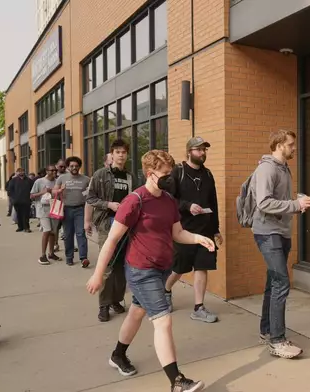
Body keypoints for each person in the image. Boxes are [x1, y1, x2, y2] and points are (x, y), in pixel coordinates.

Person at [86, 150, 215, 392]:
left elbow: (177, 233)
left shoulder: (168, 200)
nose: (170, 178)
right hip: (141, 270)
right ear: (150, 174)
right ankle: (176, 381)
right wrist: (98, 274)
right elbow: (111, 240)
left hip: (163, 268)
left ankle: (118, 355)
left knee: (136, 312)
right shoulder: (135, 201)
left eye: (171, 173)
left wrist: (199, 238)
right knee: (163, 321)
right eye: (166, 174)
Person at [252, 130, 310, 359]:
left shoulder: (283, 168)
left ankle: (267, 330)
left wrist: (297, 201)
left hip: (281, 232)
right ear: (279, 145)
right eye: (290, 145)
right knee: (281, 283)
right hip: (268, 233)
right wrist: (294, 204)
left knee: (273, 283)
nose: (294, 148)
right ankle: (277, 341)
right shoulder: (267, 168)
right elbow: (264, 202)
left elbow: (281, 200)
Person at [165, 136, 222, 322]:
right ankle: (165, 290)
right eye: (199, 149)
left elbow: (213, 203)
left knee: (202, 267)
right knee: (179, 268)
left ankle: (199, 307)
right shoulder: (178, 172)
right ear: (189, 152)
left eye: (204, 149)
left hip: (205, 230)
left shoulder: (208, 174)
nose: (203, 153)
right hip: (183, 230)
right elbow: (168, 198)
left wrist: (216, 229)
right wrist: (187, 206)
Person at [86, 140, 134, 322]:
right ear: (111, 155)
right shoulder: (100, 175)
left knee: (122, 265)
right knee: (107, 265)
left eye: (124, 152)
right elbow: (90, 198)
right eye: (118, 152)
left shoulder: (130, 177)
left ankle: (116, 299)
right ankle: (103, 305)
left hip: (125, 225)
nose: (121, 155)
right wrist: (109, 205)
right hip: (107, 223)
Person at [54, 157, 91, 267]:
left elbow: (91, 193)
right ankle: (69, 257)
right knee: (68, 234)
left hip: (81, 209)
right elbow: (53, 191)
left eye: (76, 166)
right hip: (66, 209)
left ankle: (83, 258)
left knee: (81, 233)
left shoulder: (86, 179)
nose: (74, 168)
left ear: (80, 167)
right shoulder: (62, 178)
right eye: (72, 166)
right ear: (68, 167)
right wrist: (59, 190)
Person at [31, 165, 62, 265]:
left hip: (54, 209)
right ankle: (43, 255)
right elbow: (31, 195)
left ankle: (51, 253)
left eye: (55, 170)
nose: (54, 172)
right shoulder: (39, 181)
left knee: (53, 232)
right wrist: (43, 192)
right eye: (52, 170)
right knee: (47, 230)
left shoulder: (57, 181)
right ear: (46, 171)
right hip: (42, 210)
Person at [7, 168, 34, 233]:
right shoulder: (13, 181)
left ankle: (26, 227)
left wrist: (31, 198)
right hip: (17, 201)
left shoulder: (29, 181)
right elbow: (10, 190)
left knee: (26, 215)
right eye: (19, 171)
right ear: (17, 172)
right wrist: (13, 198)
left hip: (26, 200)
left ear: (24, 172)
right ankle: (20, 227)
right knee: (19, 214)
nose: (21, 173)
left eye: (22, 171)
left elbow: (33, 189)